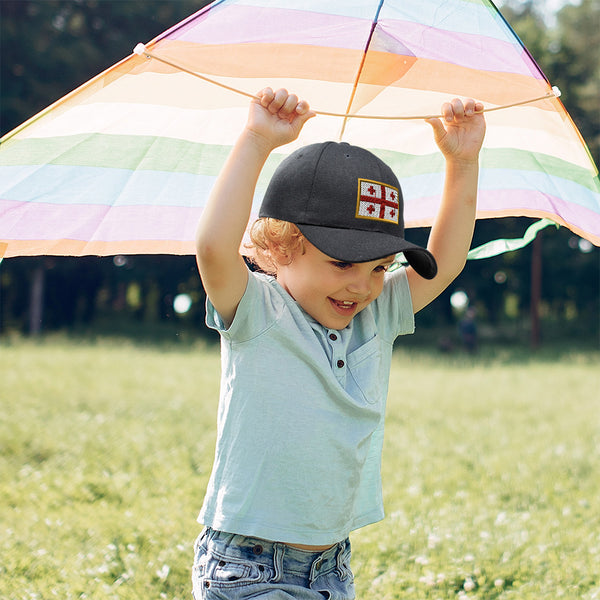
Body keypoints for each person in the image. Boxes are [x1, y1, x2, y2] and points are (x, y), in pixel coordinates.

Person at [192, 87, 486, 599]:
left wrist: (462, 161)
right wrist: (259, 138)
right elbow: (214, 246)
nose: (362, 285)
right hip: (250, 563)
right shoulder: (259, 311)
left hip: (330, 564)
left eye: (380, 267)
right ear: (281, 248)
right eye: (343, 262)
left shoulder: (377, 315)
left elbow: (449, 259)